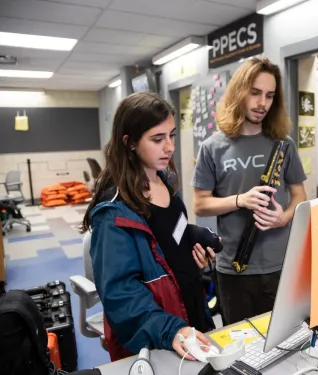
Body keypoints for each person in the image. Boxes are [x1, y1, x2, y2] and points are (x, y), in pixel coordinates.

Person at [80, 92, 216, 362]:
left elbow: (166, 238)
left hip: (189, 314)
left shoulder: (164, 180)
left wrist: (192, 244)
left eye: (172, 135)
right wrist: (170, 330)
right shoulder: (113, 212)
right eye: (158, 139)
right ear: (129, 143)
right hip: (155, 335)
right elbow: (121, 296)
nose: (169, 147)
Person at [191, 57, 307, 325]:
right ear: (239, 91)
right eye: (255, 93)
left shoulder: (283, 144)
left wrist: (285, 217)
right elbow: (200, 204)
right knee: (241, 348)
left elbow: (299, 195)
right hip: (234, 268)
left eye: (269, 95)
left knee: (285, 339)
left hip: (282, 264)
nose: (262, 103)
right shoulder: (213, 147)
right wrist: (240, 200)